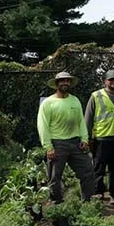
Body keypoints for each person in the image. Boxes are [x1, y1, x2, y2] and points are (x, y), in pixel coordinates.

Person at [37, 71, 95, 203]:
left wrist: (84, 139)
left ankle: (87, 202)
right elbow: (43, 126)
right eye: (62, 81)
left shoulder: (75, 100)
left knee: (87, 170)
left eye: (68, 81)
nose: (65, 83)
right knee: (55, 176)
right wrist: (48, 147)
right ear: (57, 84)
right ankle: (57, 204)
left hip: (75, 143)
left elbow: (81, 121)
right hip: (57, 145)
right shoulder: (48, 103)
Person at [84, 69, 114, 206]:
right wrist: (87, 138)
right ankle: (97, 194)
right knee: (99, 168)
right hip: (101, 138)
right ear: (105, 81)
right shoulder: (96, 96)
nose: (113, 82)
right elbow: (88, 117)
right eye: (111, 80)